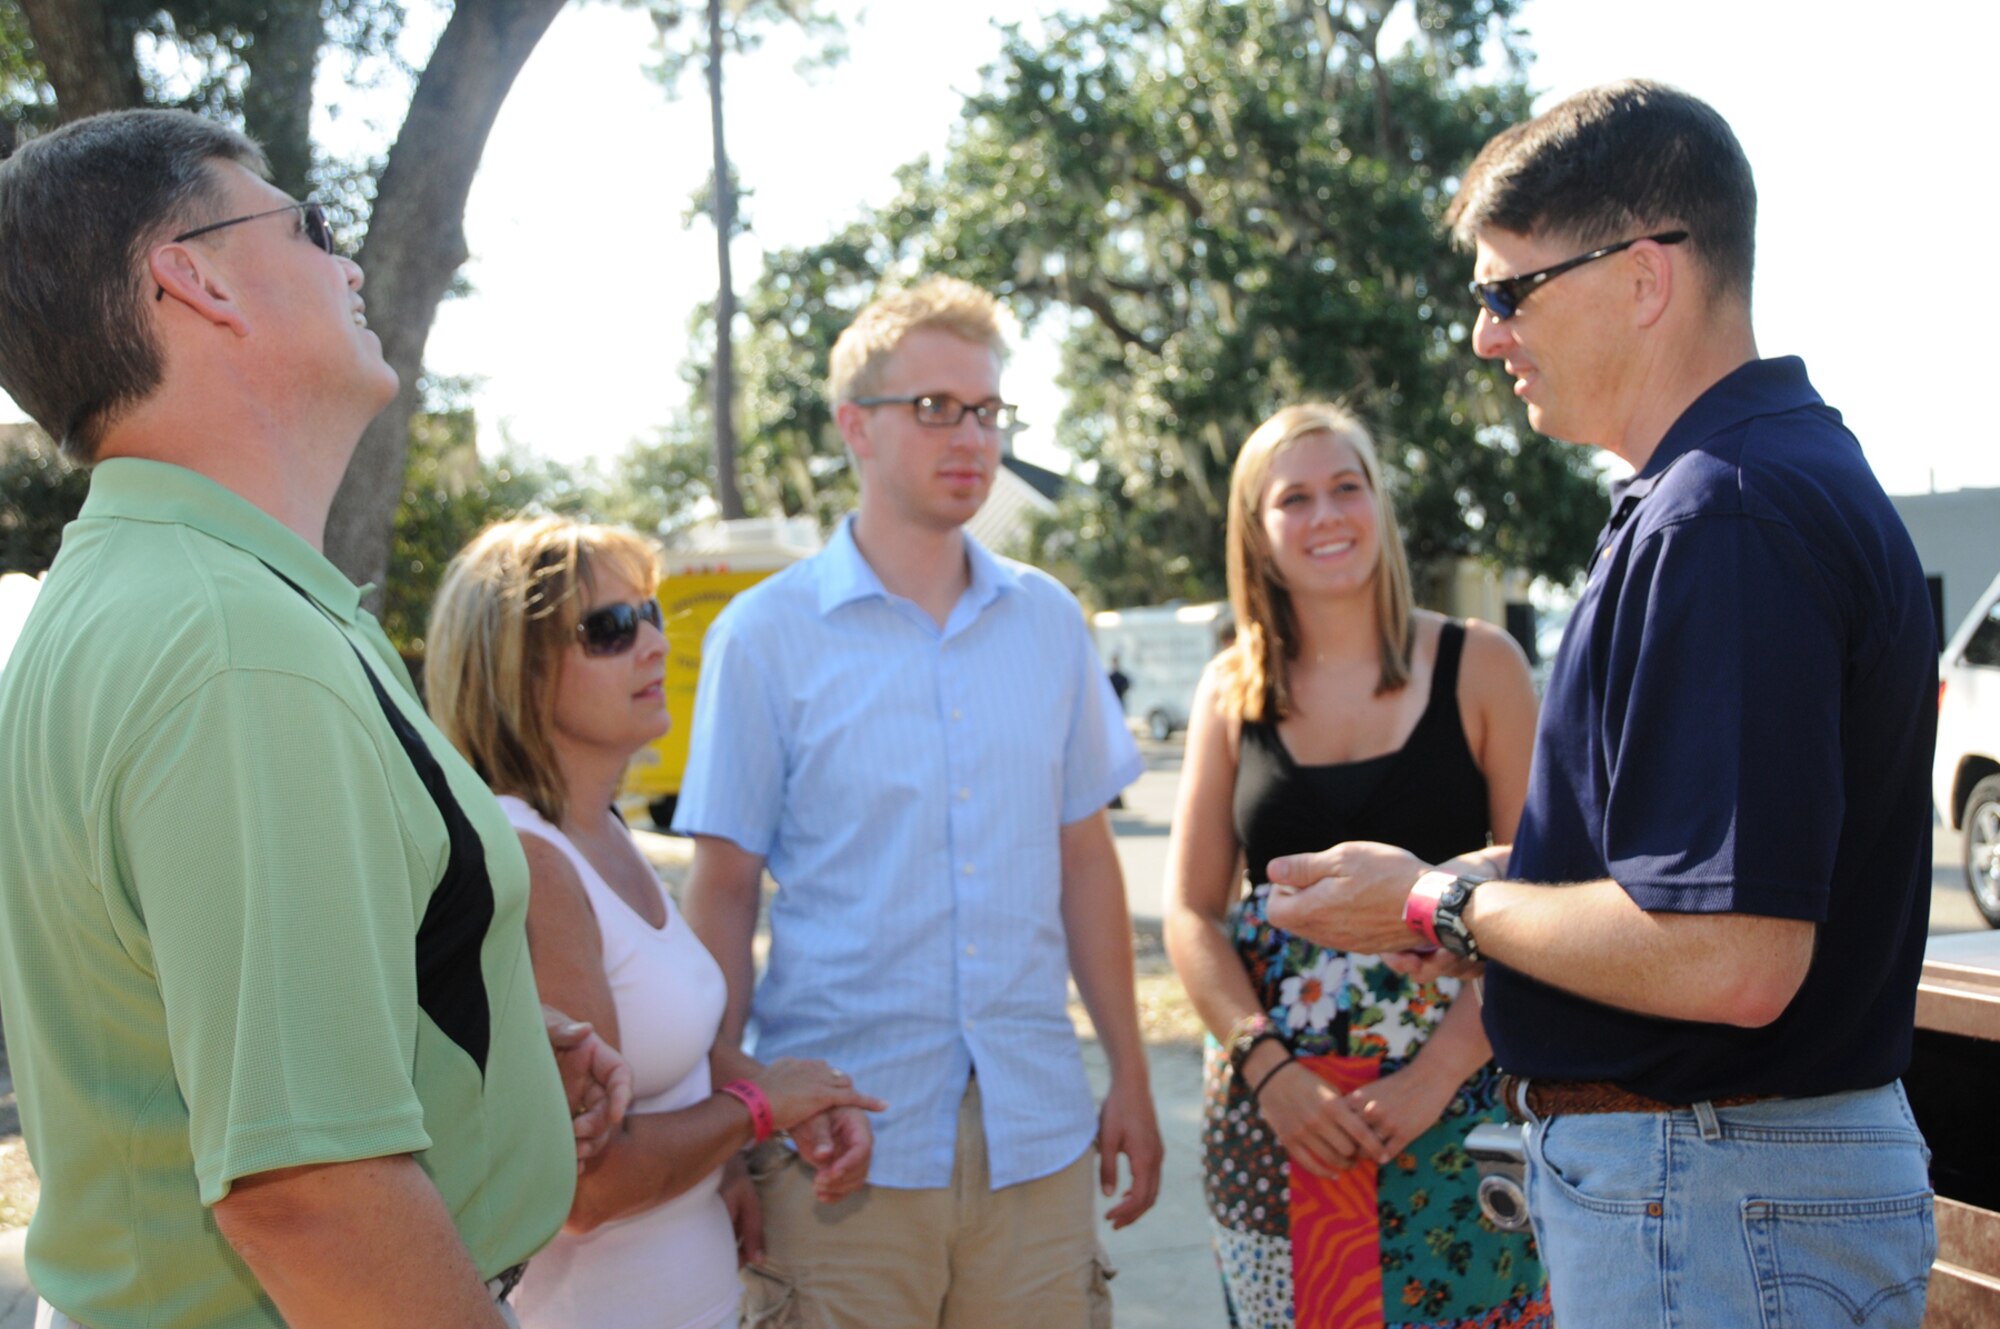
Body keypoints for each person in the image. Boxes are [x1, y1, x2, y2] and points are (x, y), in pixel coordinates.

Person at [1262, 82, 1939, 1327]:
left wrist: (1434, 901)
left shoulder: (1723, 515)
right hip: (1727, 1190)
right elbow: (1680, 879)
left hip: (1715, 1189)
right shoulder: (1740, 487)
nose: (1483, 333)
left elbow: (1731, 956)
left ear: (1641, 277)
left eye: (1506, 289)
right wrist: (1463, 881)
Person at [0, 110, 622, 1329]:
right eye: (311, 224)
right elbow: (309, 1196)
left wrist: (469, 1058)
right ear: (195, 277)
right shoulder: (234, 644)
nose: (345, 265)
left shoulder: (147, 592)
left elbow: (169, 1008)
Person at [674, 275, 1163, 1326]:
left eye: (986, 411)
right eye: (934, 409)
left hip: (1036, 1135)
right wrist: (724, 1111)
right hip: (838, 1148)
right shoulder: (762, 637)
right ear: (855, 425)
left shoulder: (1047, 622)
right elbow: (721, 891)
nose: (970, 437)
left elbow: (1084, 858)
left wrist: (1126, 1067)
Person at [424, 517, 885, 1329]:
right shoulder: (535, 862)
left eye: (651, 614)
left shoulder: (602, 833)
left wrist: (767, 1124)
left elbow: (669, 1039)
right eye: (607, 628)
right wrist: (757, 1106)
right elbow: (589, 1188)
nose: (651, 644)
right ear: (517, 670)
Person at [1163, 404, 1547, 1328]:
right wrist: (1270, 1071)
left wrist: (1432, 1077)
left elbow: (1547, 898)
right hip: (1281, 1124)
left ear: (1381, 502)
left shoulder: (1481, 664)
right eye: (1294, 498)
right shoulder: (1230, 688)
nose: (1328, 514)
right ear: (1255, 532)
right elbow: (1188, 911)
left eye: (1348, 486)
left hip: (1463, 1107)